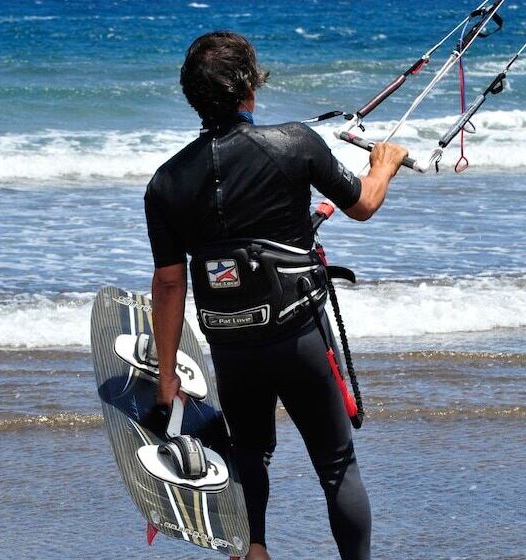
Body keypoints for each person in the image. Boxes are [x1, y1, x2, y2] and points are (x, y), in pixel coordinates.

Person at [144, 31, 408, 560]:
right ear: (249, 89)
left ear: (192, 95)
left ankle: (256, 549)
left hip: (232, 345)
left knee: (249, 453)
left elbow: (170, 283)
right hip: (297, 336)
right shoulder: (295, 142)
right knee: (336, 465)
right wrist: (385, 163)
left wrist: (167, 379)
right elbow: (362, 205)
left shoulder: (166, 183)